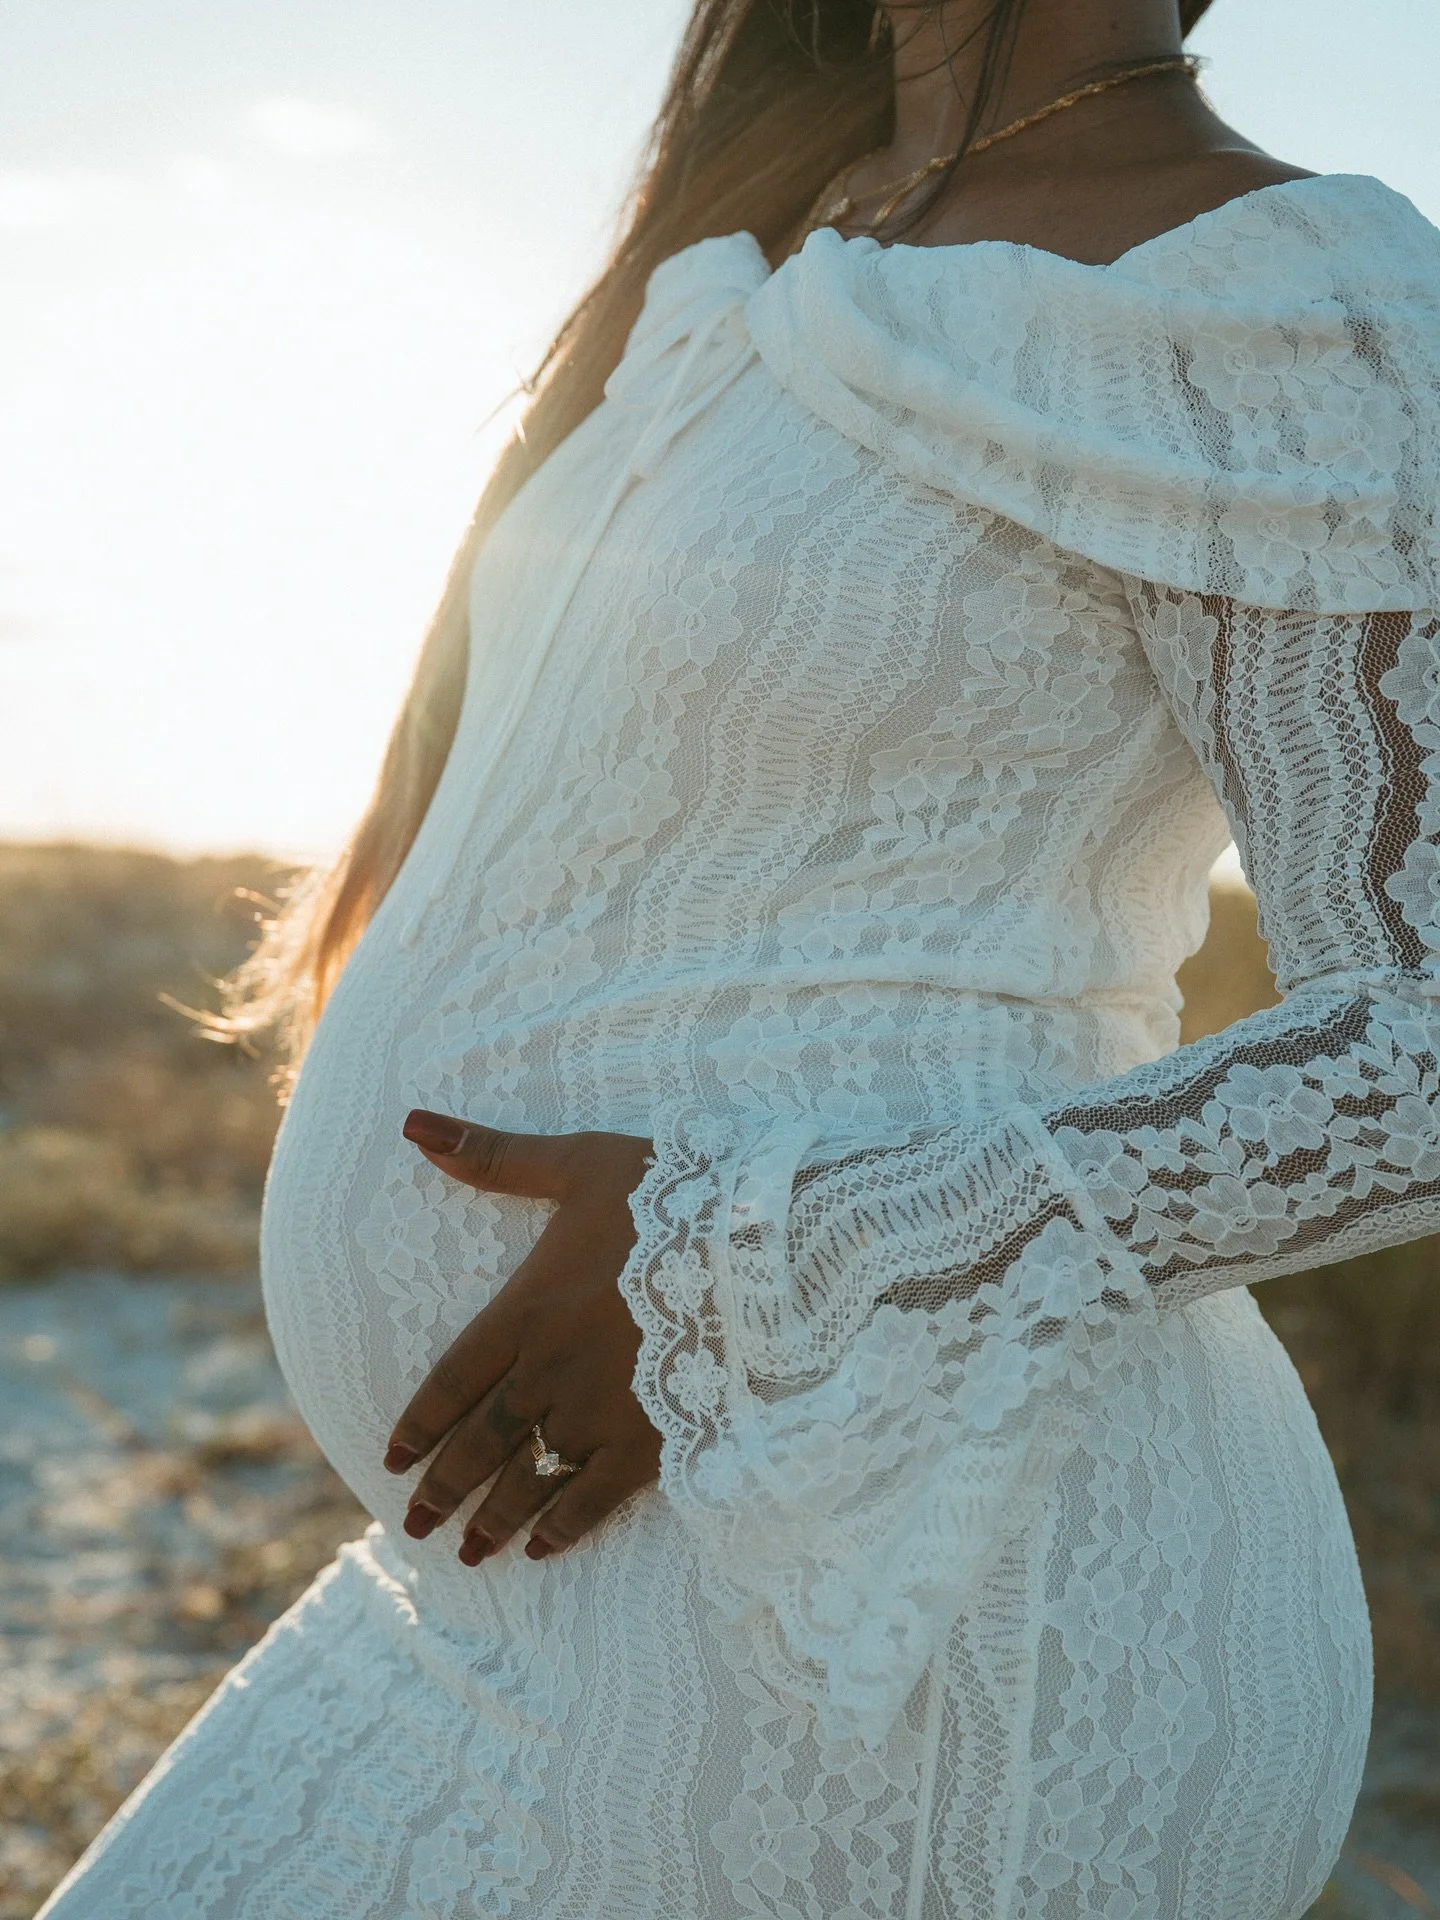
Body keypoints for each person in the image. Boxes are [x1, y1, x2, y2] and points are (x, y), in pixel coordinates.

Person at [39, 1, 1440, 1914]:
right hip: (526, 1580)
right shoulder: (779, 240)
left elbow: (1421, 1042)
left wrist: (746, 1272)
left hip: (911, 1602)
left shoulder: (1288, 297)